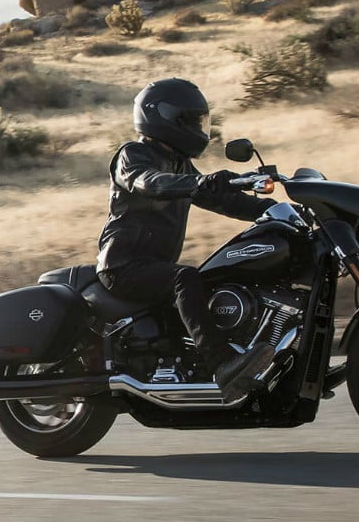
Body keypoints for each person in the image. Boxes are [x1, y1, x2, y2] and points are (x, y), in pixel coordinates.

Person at [97, 78, 274, 401]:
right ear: (163, 118)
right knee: (186, 278)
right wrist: (198, 182)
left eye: (200, 121)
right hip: (123, 266)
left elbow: (223, 201)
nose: (198, 128)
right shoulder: (132, 155)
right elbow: (149, 182)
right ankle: (222, 365)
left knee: (213, 277)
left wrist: (274, 212)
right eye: (190, 121)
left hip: (154, 265)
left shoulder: (179, 162)